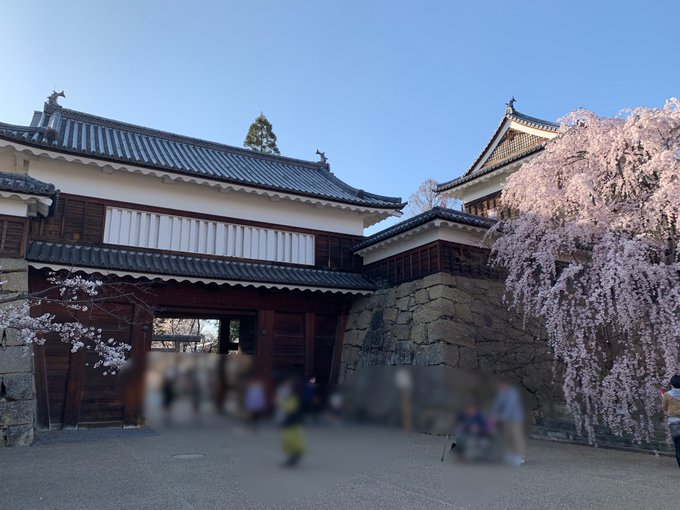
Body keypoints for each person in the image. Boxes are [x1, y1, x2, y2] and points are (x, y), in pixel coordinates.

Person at [490, 381, 526, 466]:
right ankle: (509, 454)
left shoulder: (512, 393)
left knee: (516, 437)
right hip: (506, 421)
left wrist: (502, 416)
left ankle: (520, 456)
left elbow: (510, 406)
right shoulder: (500, 393)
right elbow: (496, 405)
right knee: (507, 437)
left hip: (515, 419)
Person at [277, 377, 306, 467]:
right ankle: (294, 456)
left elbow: (289, 408)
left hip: (291, 422)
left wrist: (281, 403)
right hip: (295, 421)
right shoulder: (298, 396)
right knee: (294, 438)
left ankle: (294, 457)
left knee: (290, 439)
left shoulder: (293, 397)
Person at [661, 375, 680, 469]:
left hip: (674, 422)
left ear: (672, 384)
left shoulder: (667, 395)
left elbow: (664, 408)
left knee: (678, 446)